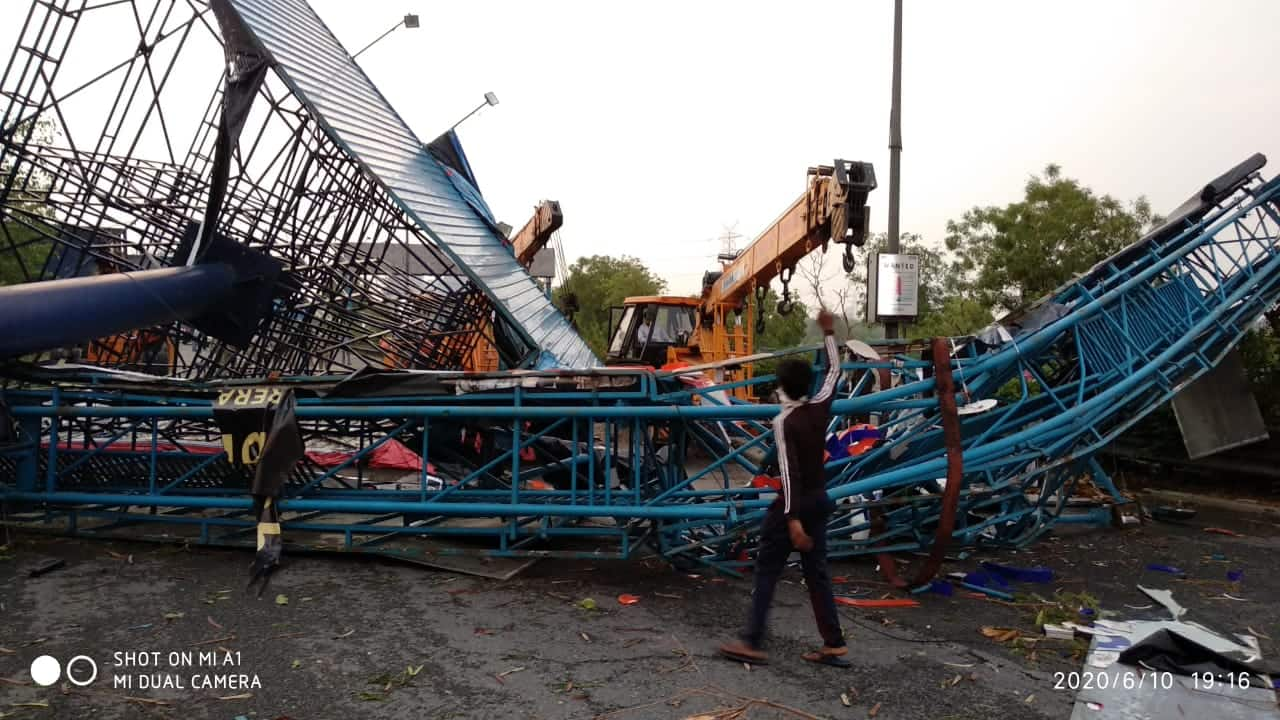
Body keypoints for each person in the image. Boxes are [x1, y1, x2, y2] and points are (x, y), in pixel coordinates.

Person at [719, 309, 849, 668]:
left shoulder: (784, 421)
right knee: (817, 573)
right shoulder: (820, 407)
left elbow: (789, 474)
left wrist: (791, 520)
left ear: (780, 387)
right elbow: (836, 371)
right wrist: (828, 332)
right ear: (808, 385)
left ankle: (752, 640)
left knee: (766, 569)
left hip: (793, 508)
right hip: (820, 501)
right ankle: (834, 644)